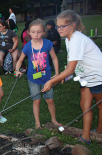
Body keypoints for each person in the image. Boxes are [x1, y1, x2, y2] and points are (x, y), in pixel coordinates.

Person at [43, 10, 102, 144]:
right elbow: (71, 65)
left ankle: (99, 130)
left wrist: (52, 81)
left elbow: (70, 70)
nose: (59, 29)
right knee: (84, 105)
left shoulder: (77, 39)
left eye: (62, 26)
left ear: (73, 25)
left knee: (100, 105)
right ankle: (86, 137)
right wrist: (63, 76)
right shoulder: (69, 39)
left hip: (97, 75)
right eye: (58, 26)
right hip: (85, 76)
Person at [15, 19, 60, 129]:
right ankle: (37, 123)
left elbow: (54, 58)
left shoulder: (48, 44)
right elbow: (20, 60)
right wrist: (17, 70)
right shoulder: (27, 46)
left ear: (44, 32)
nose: (36, 34)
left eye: (39, 32)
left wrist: (57, 73)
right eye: (33, 32)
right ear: (29, 32)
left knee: (50, 100)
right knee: (37, 101)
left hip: (47, 78)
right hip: (33, 78)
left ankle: (54, 120)